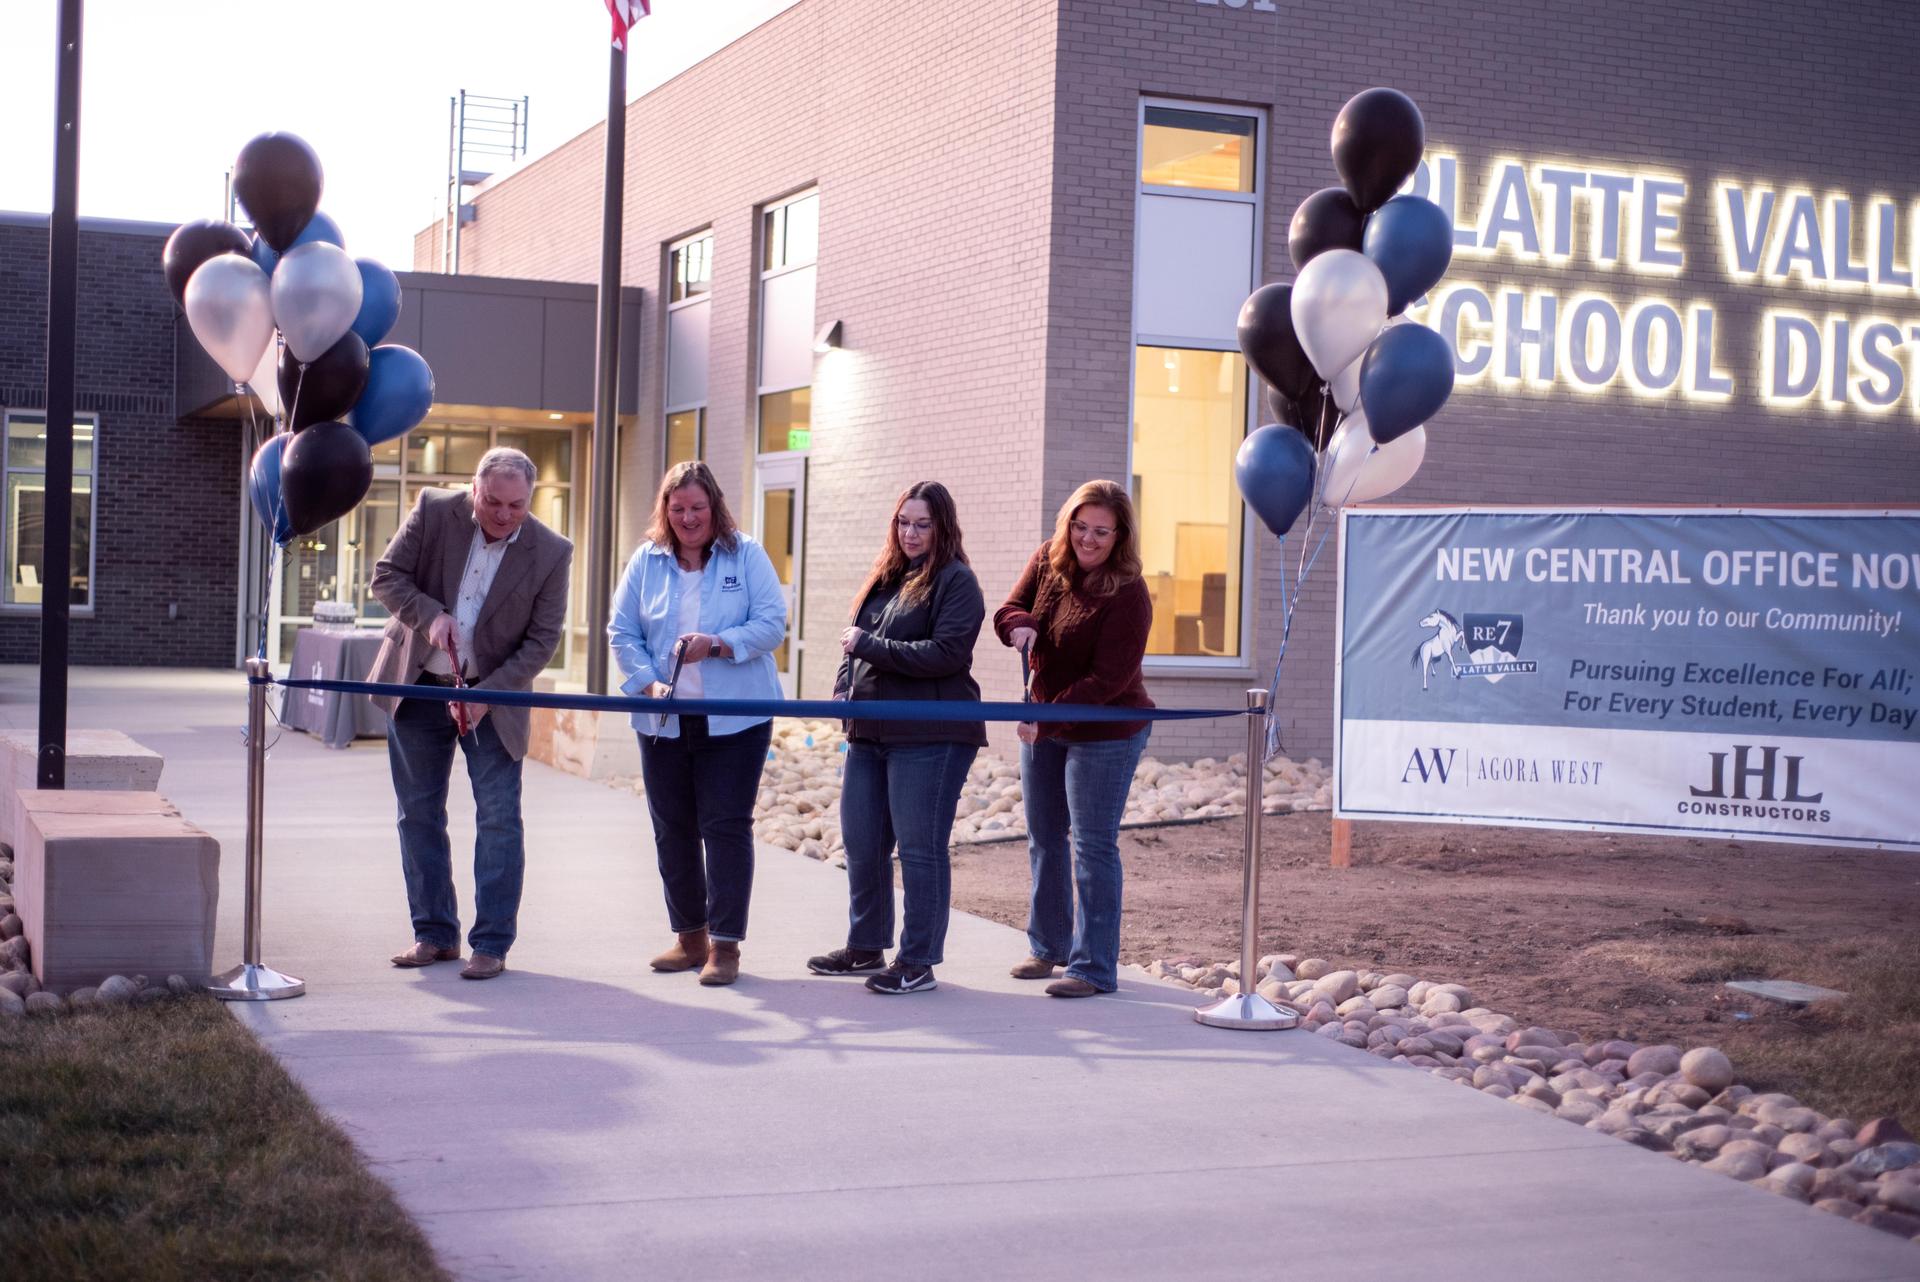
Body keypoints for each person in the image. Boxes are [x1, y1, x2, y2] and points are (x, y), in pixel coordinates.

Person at [369, 447, 574, 980]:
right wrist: (430, 615)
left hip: (493, 700)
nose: (504, 515)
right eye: (493, 502)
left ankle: (492, 944)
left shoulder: (552, 551)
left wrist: (488, 695)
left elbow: (542, 641)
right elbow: (387, 575)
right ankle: (434, 935)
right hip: (418, 688)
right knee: (418, 814)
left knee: (500, 820)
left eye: (517, 505)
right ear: (473, 490)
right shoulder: (435, 510)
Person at [609, 461, 787, 986]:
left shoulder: (747, 554)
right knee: (673, 829)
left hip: (735, 721)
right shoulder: (647, 560)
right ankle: (690, 938)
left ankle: (725, 947)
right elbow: (622, 632)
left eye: (698, 508)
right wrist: (648, 684)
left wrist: (720, 644)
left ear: (715, 508)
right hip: (664, 720)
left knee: (725, 827)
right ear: (666, 510)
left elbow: (772, 623)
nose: (688, 518)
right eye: (678, 508)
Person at [809, 482, 985, 995]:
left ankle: (918, 961)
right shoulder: (886, 577)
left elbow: (945, 654)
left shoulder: (957, 581)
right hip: (869, 733)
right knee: (863, 845)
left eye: (923, 524)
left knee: (920, 849)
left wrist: (872, 646)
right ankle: (866, 946)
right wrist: (844, 688)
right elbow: (853, 646)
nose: (911, 533)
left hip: (931, 734)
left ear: (943, 527)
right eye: (904, 522)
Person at [993, 480, 1153, 998]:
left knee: (1092, 845)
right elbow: (1009, 608)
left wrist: (1044, 717)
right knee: (1043, 837)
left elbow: (1107, 682)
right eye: (1080, 526)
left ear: (1120, 536)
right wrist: (1018, 624)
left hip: (1106, 729)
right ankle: (1048, 947)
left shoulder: (1129, 592)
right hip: (1047, 721)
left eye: (1101, 532)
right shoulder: (1048, 559)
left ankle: (1093, 967)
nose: (1087, 539)